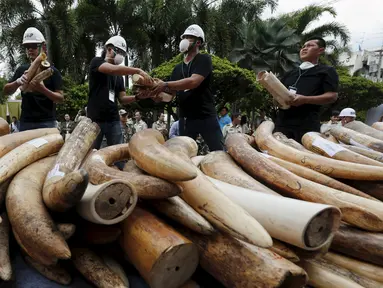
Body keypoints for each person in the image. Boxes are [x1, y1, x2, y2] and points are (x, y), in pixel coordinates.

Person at [151, 24, 224, 151]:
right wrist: (155, 94)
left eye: (190, 37)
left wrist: (165, 84)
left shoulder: (204, 59)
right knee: (184, 154)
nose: (185, 40)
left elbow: (193, 82)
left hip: (206, 116)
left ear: (198, 42)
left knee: (219, 151)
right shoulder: (177, 68)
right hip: (186, 119)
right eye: (184, 37)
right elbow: (170, 95)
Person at [86, 35, 151, 149]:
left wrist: (137, 97)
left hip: (113, 120)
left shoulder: (119, 77)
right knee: (90, 152)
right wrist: (137, 70)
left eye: (123, 53)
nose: (121, 55)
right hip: (95, 119)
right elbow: (112, 69)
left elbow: (122, 99)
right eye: (119, 51)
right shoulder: (96, 62)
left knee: (118, 154)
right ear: (109, 49)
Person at [274, 37, 339, 143]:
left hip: (307, 126)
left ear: (320, 51)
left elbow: (332, 96)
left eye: (310, 46)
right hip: (282, 124)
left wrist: (305, 99)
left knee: (302, 156)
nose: (304, 49)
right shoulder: (290, 73)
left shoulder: (327, 71)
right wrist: (277, 99)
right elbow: (278, 94)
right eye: (303, 46)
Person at [3, 27, 63, 131]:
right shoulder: (22, 69)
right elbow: (6, 91)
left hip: (47, 122)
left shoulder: (52, 71)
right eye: (27, 46)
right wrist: (18, 82)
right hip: (26, 121)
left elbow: (60, 98)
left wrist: (42, 89)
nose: (30, 49)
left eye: (34, 46)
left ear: (42, 47)